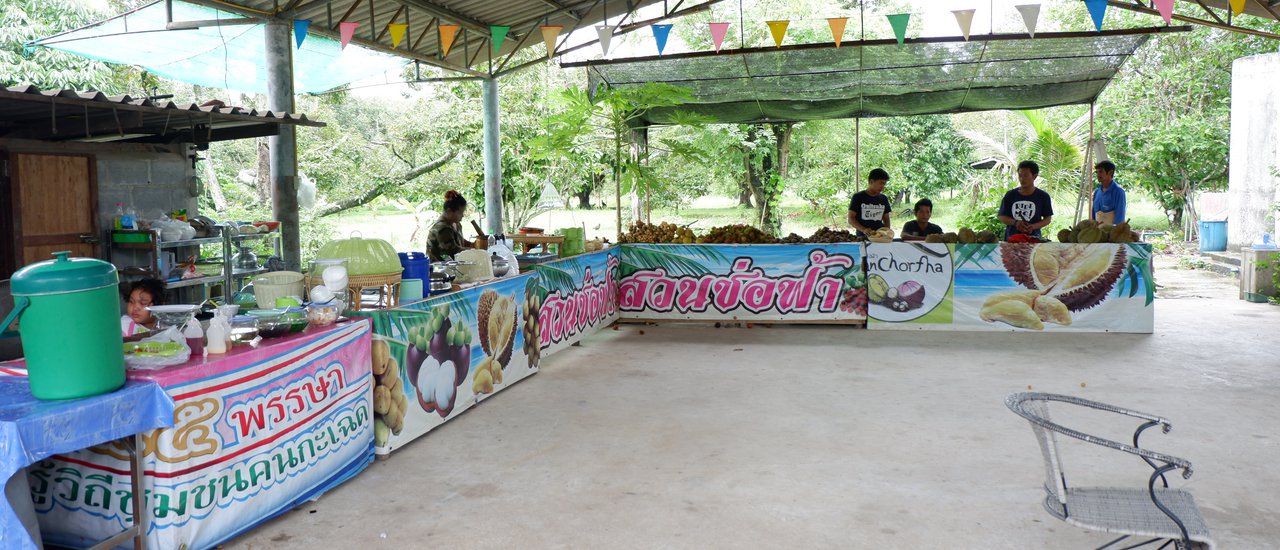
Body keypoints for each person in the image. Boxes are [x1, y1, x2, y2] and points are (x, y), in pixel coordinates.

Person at [997, 160, 1054, 241]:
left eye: (1026, 176)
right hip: (1011, 240)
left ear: (1034, 176)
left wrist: (1033, 226)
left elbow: (1047, 219)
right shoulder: (1010, 195)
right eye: (1020, 175)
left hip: (1034, 240)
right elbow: (1001, 216)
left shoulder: (1043, 196)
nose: (1022, 179)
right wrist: (1015, 223)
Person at [427, 189, 474, 261]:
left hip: (453, 266)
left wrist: (473, 244)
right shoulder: (442, 229)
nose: (462, 215)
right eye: (460, 213)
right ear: (449, 211)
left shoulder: (456, 224)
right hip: (439, 268)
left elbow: (459, 241)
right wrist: (474, 250)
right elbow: (453, 251)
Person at [847, 168, 892, 238]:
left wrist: (887, 232)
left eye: (884, 184)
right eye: (881, 183)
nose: (883, 186)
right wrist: (864, 230)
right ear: (871, 182)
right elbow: (851, 219)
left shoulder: (883, 198)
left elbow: (886, 219)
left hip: (879, 236)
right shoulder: (858, 197)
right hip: (862, 237)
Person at [1091, 160, 1126, 225]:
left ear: (1110, 172)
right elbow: (1093, 215)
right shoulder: (1097, 192)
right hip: (1097, 232)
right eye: (1097, 172)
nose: (1098, 174)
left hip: (1112, 232)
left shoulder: (1118, 192)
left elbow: (1120, 217)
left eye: (1101, 171)